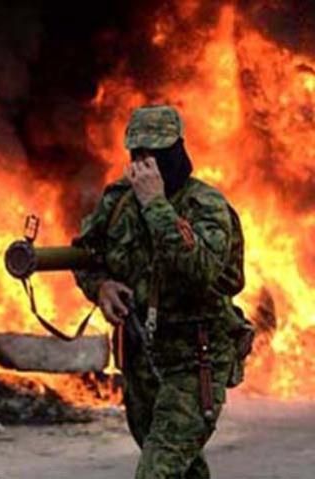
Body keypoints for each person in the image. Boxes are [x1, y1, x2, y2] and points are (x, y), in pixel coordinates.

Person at [73, 105, 245, 478]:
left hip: (195, 362)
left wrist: (156, 205)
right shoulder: (118, 201)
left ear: (178, 150)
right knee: (182, 469)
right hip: (142, 363)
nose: (146, 165)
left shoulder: (206, 206)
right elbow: (86, 255)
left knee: (158, 470)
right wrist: (100, 287)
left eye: (157, 154)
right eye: (138, 155)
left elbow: (201, 268)